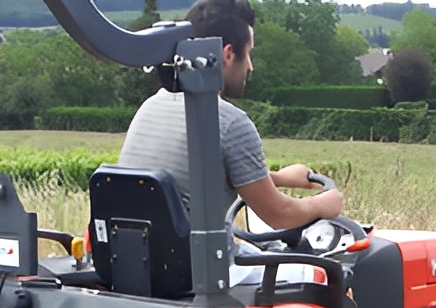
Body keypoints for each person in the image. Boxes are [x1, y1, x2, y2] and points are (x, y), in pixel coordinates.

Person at [117, 0, 342, 234]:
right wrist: (324, 203)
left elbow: (201, 174)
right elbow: (280, 215)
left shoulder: (151, 106)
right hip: (200, 267)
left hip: (141, 267)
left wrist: (278, 177)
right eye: (249, 53)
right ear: (228, 53)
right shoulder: (229, 122)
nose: (250, 66)